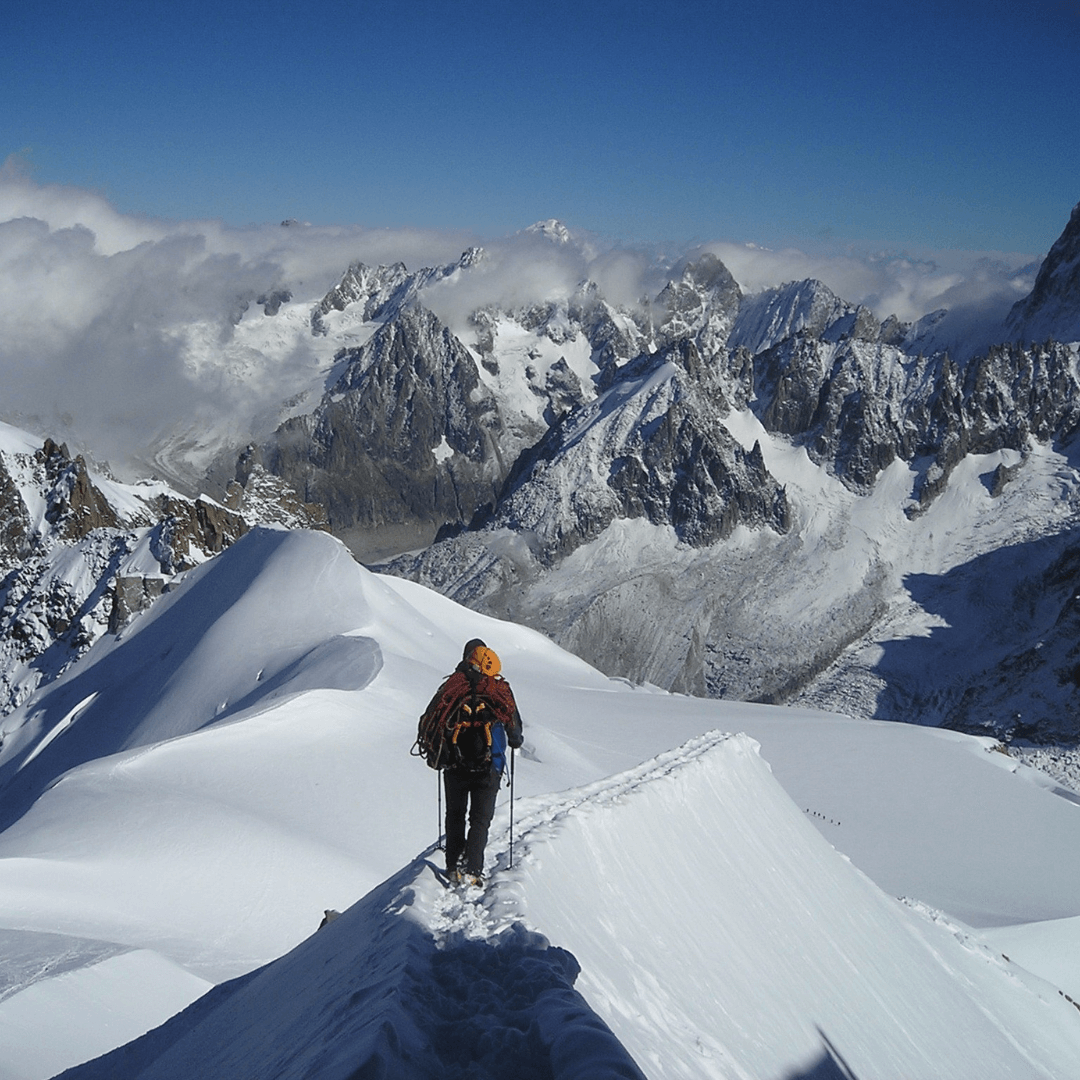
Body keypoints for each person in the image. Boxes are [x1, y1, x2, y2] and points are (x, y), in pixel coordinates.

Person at [419, 638, 523, 886]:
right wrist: (514, 742)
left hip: (454, 766)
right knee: (480, 820)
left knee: (454, 815)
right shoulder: (498, 690)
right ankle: (473, 869)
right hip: (489, 766)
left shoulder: (452, 689)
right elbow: (515, 730)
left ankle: (453, 866)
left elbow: (430, 721)